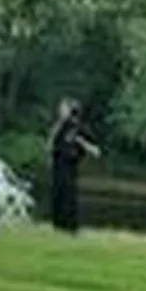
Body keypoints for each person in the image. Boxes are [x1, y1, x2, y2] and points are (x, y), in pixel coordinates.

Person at [47, 97, 101, 234]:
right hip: (57, 165)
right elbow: (51, 145)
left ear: (71, 111)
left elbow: (96, 151)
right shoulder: (59, 127)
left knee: (68, 196)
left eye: (63, 108)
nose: (60, 111)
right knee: (57, 195)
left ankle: (70, 227)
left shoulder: (79, 128)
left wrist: (81, 142)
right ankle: (57, 225)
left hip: (70, 166)